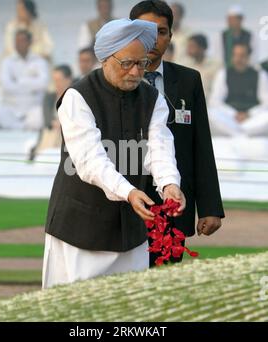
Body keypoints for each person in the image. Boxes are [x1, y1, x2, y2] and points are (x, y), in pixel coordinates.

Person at [42, 18, 186, 288]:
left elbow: (160, 147)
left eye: (141, 64)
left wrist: (169, 184)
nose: (135, 72)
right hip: (80, 229)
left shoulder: (153, 98)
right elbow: (90, 161)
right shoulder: (77, 97)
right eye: (126, 64)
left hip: (131, 232)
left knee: (131, 312)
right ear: (105, 59)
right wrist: (128, 192)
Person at [129, 0, 224, 267]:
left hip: (174, 205)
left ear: (171, 37)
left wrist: (210, 208)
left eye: (161, 31)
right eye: (145, 30)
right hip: (125, 204)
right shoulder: (112, 81)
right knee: (122, 289)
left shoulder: (188, 80)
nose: (153, 38)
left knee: (164, 288)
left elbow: (201, 145)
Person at [0, 30, 49, 130]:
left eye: (22, 41)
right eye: (17, 41)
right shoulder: (7, 62)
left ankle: (17, 126)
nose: (19, 44)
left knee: (40, 116)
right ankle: (21, 126)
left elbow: (43, 83)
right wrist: (32, 84)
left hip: (33, 106)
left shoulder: (40, 61)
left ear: (29, 42)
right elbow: (6, 86)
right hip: (11, 106)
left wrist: (19, 81)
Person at [209, 43, 268, 137]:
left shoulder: (260, 75)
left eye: (242, 55)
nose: (238, 59)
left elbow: (266, 102)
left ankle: (238, 132)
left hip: (253, 118)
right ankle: (243, 133)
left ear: (248, 57)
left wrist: (249, 114)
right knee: (210, 113)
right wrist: (234, 114)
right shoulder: (223, 74)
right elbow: (215, 101)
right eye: (235, 55)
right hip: (230, 117)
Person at [29, 65, 73, 159]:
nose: (57, 84)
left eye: (59, 80)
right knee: (51, 132)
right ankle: (41, 156)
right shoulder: (49, 97)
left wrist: (62, 124)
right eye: (55, 80)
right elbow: (47, 120)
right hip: (51, 131)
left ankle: (42, 156)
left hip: (68, 133)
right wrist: (56, 123)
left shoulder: (75, 98)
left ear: (68, 80)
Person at [186, 34, 221, 99]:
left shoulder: (216, 65)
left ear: (201, 48)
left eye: (192, 46)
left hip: (211, 104)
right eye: (188, 46)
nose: (189, 49)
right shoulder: (187, 66)